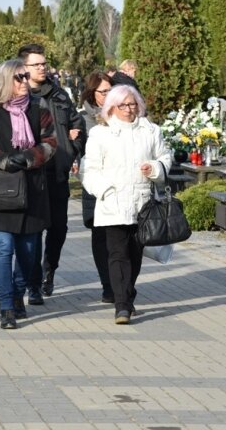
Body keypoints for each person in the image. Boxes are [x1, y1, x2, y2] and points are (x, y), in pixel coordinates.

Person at [0, 59, 57, 329]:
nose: (24, 82)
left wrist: (29, 158)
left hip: (32, 189)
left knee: (28, 252)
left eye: (26, 77)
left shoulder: (38, 106)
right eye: (19, 77)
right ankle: (6, 306)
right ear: (5, 80)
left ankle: (19, 292)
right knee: (4, 249)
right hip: (0, 190)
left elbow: (51, 142)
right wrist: (5, 160)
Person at [81, 85, 171, 324]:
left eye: (132, 104)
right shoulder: (101, 134)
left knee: (135, 254)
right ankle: (122, 305)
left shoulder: (150, 131)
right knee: (117, 254)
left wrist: (154, 168)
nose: (128, 109)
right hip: (113, 202)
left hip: (142, 203)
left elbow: (165, 156)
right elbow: (89, 170)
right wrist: (103, 190)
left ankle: (127, 293)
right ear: (112, 107)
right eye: (123, 105)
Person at [18, 43, 86, 304]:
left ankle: (49, 271)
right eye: (36, 64)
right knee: (33, 230)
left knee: (59, 228)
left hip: (57, 171)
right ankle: (33, 282)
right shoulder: (18, 97)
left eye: (44, 64)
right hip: (31, 174)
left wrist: (71, 148)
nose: (42, 68)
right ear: (24, 67)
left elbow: (76, 125)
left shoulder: (58, 94)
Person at [79, 71, 114, 303]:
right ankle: (107, 285)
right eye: (104, 91)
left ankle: (120, 282)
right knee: (100, 237)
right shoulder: (83, 118)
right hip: (95, 185)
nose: (109, 95)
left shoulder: (120, 113)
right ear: (92, 94)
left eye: (111, 90)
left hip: (120, 184)